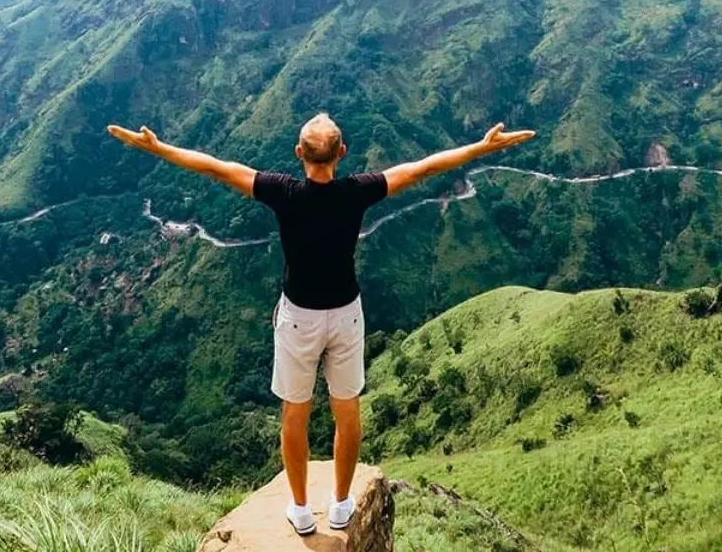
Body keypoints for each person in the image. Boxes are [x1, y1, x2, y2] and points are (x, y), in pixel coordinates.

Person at [107, 113, 535, 535]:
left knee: (295, 414)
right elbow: (423, 168)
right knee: (346, 411)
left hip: (298, 319)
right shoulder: (357, 192)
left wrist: (158, 148)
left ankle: (300, 508)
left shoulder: (283, 192)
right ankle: (342, 503)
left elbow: (216, 168)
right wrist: (482, 146)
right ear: (342, 153)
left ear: (299, 154)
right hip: (346, 315)